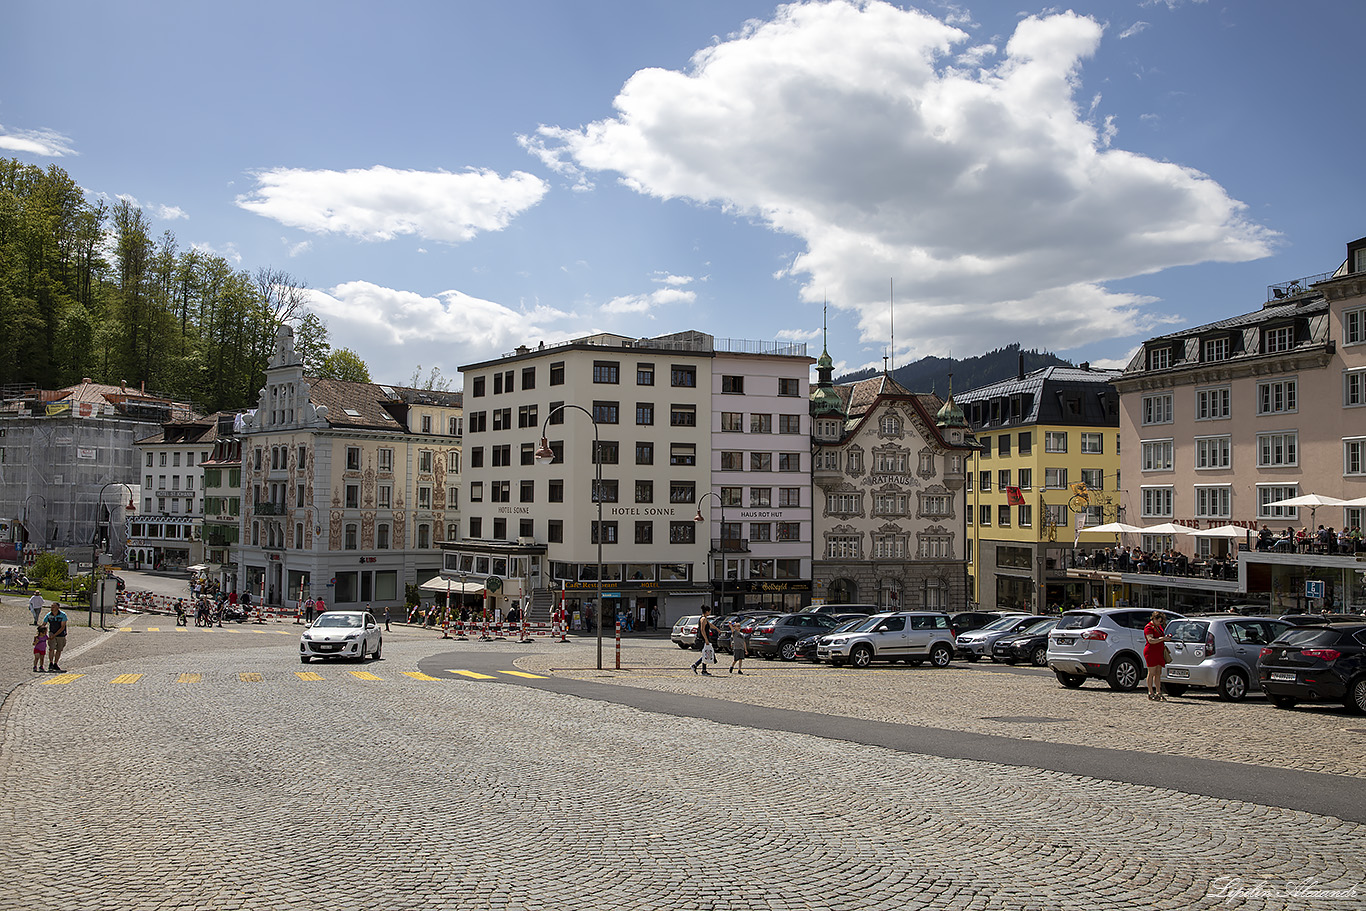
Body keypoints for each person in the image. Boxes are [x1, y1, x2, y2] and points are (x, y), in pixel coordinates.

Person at [1143, 611, 1171, 701]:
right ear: (1154, 619)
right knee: (1151, 672)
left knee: (1158, 672)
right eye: (1159, 621)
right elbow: (1151, 640)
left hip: (1159, 651)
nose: (1160, 623)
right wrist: (1162, 638)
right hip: (1151, 652)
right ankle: (1150, 692)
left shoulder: (1158, 627)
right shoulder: (1148, 628)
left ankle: (1159, 692)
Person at [41, 603, 68, 673]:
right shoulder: (49, 615)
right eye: (51, 606)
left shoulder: (63, 615)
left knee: (59, 649)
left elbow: (62, 627)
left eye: (54, 607)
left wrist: (55, 635)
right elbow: (44, 623)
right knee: (51, 648)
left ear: (58, 607)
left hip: (61, 634)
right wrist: (41, 632)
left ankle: (56, 663)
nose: (52, 608)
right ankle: (51, 662)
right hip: (52, 632)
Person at [690, 607, 715, 676]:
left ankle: (701, 668)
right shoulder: (703, 619)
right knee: (706, 654)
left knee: (706, 654)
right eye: (709, 611)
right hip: (703, 639)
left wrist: (717, 629)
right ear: (706, 611)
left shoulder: (705, 619)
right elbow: (702, 630)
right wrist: (706, 640)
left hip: (704, 639)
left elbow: (710, 625)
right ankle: (698, 667)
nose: (710, 613)